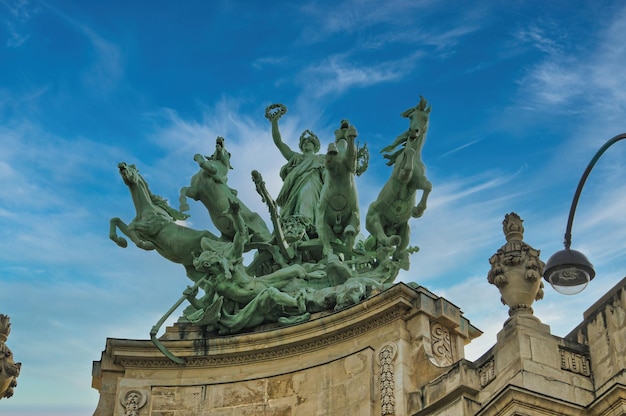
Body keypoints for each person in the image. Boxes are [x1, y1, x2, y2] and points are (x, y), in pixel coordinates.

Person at [266, 104, 325, 225]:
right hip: (293, 189)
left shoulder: (321, 159)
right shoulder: (296, 157)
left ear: (315, 146)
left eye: (309, 142)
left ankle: (306, 224)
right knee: (294, 205)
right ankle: (292, 227)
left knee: (306, 194)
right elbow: (279, 143)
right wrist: (274, 122)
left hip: (313, 185)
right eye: (304, 142)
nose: (306, 144)